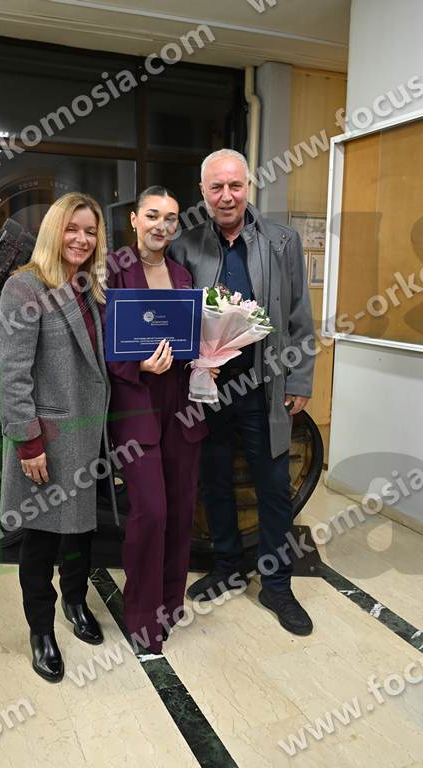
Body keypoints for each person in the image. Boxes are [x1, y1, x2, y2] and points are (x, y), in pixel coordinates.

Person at [168, 149, 315, 636]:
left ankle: (277, 585)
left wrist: (299, 379)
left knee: (273, 487)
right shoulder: (185, 245)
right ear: (203, 192)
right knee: (214, 483)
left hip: (263, 390)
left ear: (248, 186)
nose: (226, 195)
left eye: (234, 185)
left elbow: (298, 315)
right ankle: (228, 568)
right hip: (206, 392)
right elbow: (176, 316)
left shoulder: (281, 241)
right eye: (216, 187)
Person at [0, 192, 118, 682]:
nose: (82, 239)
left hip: (87, 436)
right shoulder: (25, 287)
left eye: (90, 231)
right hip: (47, 440)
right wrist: (28, 443)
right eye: (72, 228)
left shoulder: (91, 287)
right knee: (42, 541)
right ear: (53, 231)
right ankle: (41, 631)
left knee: (81, 532)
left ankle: (75, 602)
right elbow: (12, 375)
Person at [106, 186, 208, 655]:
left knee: (182, 511)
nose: (161, 226)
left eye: (170, 218)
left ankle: (169, 605)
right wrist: (138, 365)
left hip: (182, 407)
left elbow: (190, 339)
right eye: (152, 215)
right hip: (136, 405)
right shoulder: (111, 270)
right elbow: (96, 341)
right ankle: (143, 618)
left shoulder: (183, 276)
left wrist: (208, 360)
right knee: (151, 512)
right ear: (134, 219)